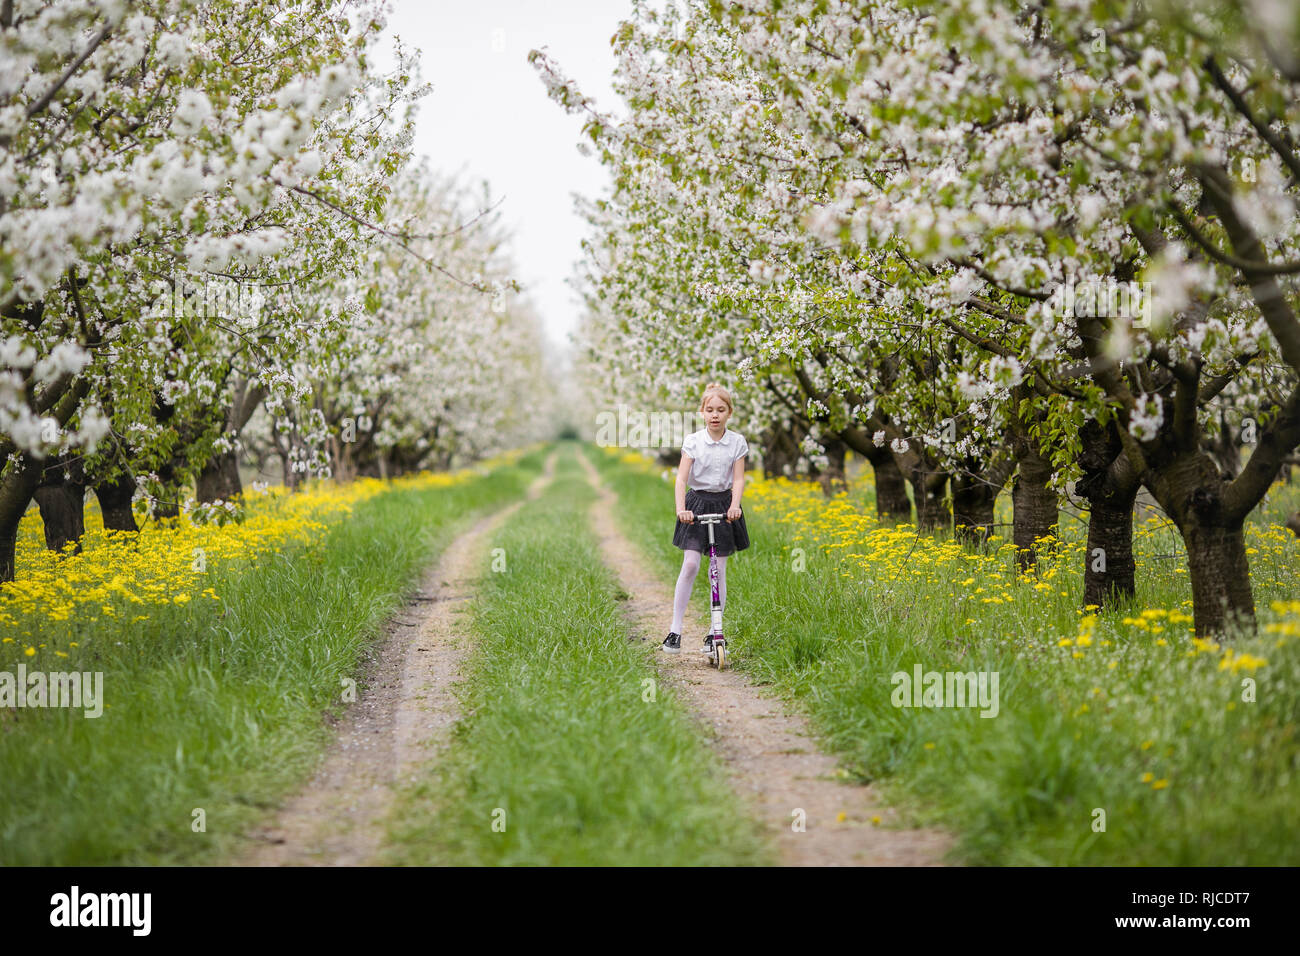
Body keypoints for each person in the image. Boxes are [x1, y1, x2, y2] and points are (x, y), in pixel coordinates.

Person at [662, 382, 750, 654]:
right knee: (690, 565)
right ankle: (675, 630)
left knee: (718, 569)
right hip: (696, 504)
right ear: (702, 412)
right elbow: (681, 479)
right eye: (710, 409)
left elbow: (738, 479)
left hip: (724, 504)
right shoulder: (693, 442)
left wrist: (735, 506)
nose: (715, 415)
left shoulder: (737, 442)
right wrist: (681, 509)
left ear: (729, 413)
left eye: (721, 410)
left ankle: (715, 631)